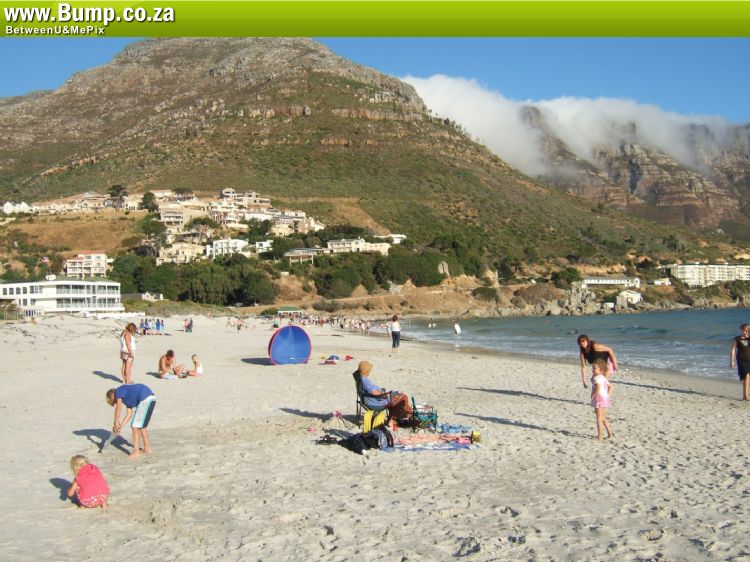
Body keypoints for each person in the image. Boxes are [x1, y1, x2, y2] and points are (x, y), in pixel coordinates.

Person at [106, 383, 156, 459]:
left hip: (145, 398)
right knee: (141, 426)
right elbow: (129, 414)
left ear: (112, 395)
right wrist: (120, 426)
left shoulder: (118, 391)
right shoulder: (126, 397)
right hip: (151, 398)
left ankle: (136, 452)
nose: (115, 403)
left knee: (134, 426)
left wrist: (115, 422)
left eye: (113, 401)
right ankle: (147, 449)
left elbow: (119, 408)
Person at [357, 360, 412, 426]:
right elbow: (374, 393)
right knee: (403, 397)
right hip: (376, 403)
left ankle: (393, 418)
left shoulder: (359, 379)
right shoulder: (365, 381)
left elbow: (372, 391)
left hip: (370, 400)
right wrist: (384, 393)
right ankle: (393, 419)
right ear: (366, 371)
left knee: (398, 395)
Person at [590, 359, 614, 441]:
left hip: (598, 398)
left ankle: (600, 436)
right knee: (603, 417)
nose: (593, 370)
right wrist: (607, 395)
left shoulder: (597, 378)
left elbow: (598, 387)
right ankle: (610, 433)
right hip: (604, 398)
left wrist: (593, 395)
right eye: (592, 368)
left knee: (599, 418)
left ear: (601, 370)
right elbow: (610, 386)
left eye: (594, 369)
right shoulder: (602, 377)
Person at [730, 323, 750, 401]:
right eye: (744, 330)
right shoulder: (737, 339)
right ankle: (746, 396)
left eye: (747, 330)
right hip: (742, 360)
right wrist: (732, 361)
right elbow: (733, 350)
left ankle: (745, 395)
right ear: (741, 330)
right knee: (746, 376)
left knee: (747, 378)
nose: (746, 331)